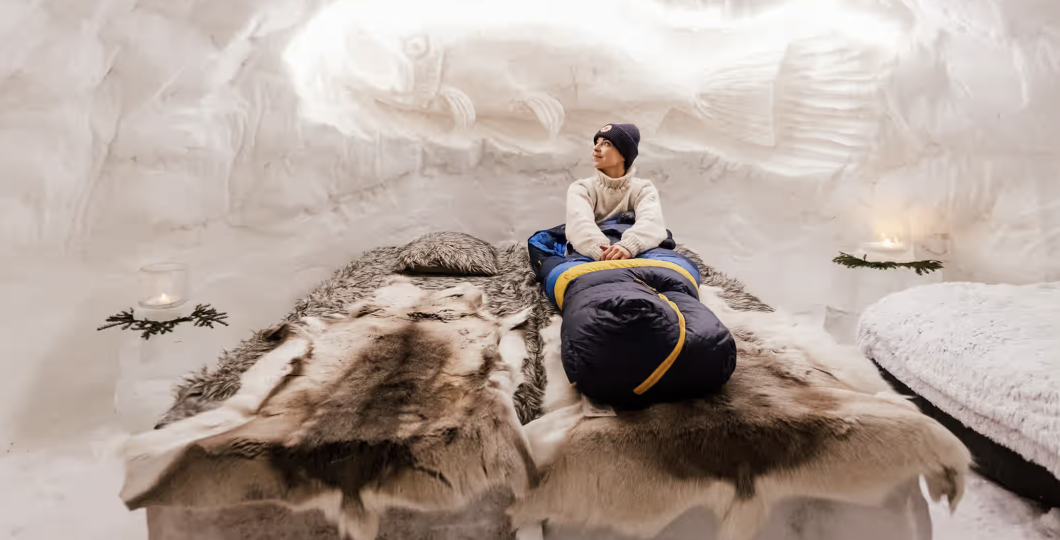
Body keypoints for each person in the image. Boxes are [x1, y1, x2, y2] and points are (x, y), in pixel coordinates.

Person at [564, 123, 667, 261]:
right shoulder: (582, 188)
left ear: (624, 155)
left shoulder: (643, 189)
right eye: (596, 143)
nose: (596, 148)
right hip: (591, 256)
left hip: (634, 254)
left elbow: (652, 222)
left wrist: (628, 246)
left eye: (606, 144)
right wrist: (601, 251)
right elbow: (579, 224)